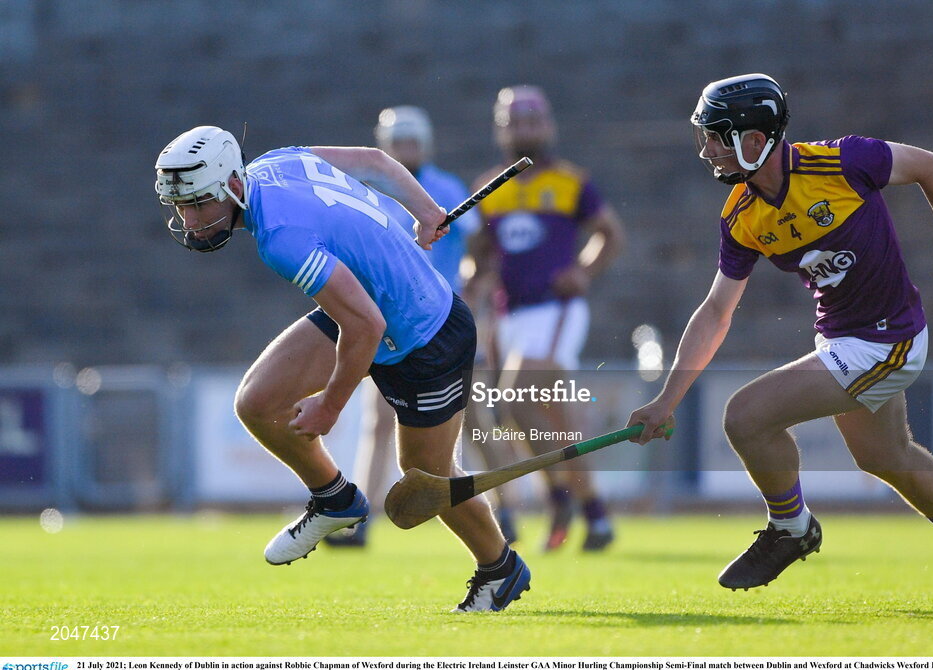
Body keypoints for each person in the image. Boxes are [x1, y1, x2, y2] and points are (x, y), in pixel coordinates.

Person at [627, 73, 933, 609]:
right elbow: (717, 310)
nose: (707, 150)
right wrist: (665, 400)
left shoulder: (843, 161)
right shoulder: (742, 214)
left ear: (755, 139)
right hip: (841, 337)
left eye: (716, 136)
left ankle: (791, 527)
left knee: (745, 416)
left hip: (889, 340)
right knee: (885, 456)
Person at [154, 126, 531, 612]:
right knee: (257, 403)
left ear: (231, 185)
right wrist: (425, 209)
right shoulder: (273, 161)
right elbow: (373, 162)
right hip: (369, 305)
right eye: (181, 207)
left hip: (425, 335)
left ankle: (499, 568)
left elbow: (367, 327)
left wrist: (330, 406)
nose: (190, 220)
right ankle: (335, 499)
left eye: (199, 203)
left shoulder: (279, 237)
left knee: (425, 475)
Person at [324, 105, 516, 548]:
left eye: (413, 142)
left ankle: (508, 508)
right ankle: (363, 518)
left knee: (474, 423)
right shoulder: (368, 190)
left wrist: (476, 299)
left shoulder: (446, 187)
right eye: (398, 142)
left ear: (425, 144)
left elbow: (482, 252)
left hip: (443, 325)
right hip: (388, 324)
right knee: (377, 421)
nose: (405, 150)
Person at [468, 86, 626, 551]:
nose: (525, 130)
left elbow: (610, 235)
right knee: (554, 419)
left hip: (555, 311)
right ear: (501, 129)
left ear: (549, 126)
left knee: (514, 398)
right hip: (509, 316)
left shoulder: (571, 181)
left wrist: (584, 270)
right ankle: (593, 513)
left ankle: (558, 496)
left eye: (533, 121)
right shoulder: (490, 188)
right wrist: (475, 276)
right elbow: (476, 257)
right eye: (515, 122)